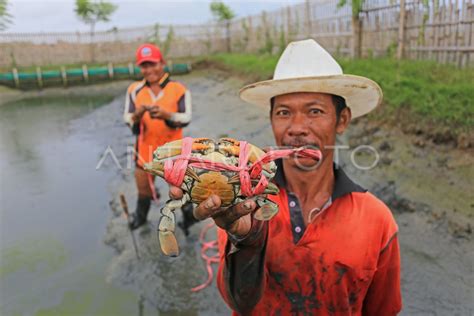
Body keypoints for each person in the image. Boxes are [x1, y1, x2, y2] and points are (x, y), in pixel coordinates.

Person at [170, 39, 402, 315]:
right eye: (283, 113)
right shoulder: (244, 203)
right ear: (271, 120)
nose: (297, 128)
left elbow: (382, 311)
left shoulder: (377, 220)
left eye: (315, 111)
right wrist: (248, 240)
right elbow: (240, 303)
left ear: (341, 120)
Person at [123, 43, 192, 230]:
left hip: (174, 152)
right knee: (143, 189)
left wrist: (167, 115)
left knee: (180, 190)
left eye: (153, 64)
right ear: (140, 68)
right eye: (144, 66)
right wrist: (136, 116)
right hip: (145, 151)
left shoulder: (179, 89)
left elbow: (186, 118)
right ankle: (141, 218)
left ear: (162, 63)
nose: (149, 70)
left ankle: (189, 218)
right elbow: (128, 119)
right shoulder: (134, 90)